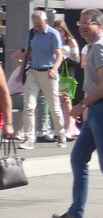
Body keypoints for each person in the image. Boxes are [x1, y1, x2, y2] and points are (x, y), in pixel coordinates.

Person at [52, 7, 103, 218]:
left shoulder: (99, 47)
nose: (81, 26)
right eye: (80, 23)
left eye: (86, 22)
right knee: (78, 158)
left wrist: (83, 105)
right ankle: (76, 213)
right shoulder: (99, 46)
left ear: (99, 25)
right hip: (99, 109)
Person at [19, 10, 66, 146]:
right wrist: (22, 72)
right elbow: (27, 52)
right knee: (29, 105)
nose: (38, 28)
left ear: (46, 21)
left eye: (40, 25)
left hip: (48, 72)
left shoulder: (53, 34)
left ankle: (61, 134)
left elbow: (60, 55)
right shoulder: (32, 33)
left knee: (54, 106)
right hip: (33, 72)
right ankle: (29, 138)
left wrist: (54, 69)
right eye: (35, 25)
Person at [52, 18, 81, 139]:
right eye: (56, 31)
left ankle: (70, 128)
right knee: (56, 101)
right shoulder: (53, 41)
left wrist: (65, 59)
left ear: (65, 31)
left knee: (67, 100)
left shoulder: (71, 42)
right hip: (55, 73)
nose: (59, 33)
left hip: (67, 73)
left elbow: (77, 60)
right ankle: (63, 127)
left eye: (61, 31)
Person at [7, 48, 32, 148]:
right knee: (31, 102)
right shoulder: (26, 71)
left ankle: (21, 131)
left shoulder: (24, 68)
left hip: (15, 97)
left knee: (30, 101)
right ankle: (21, 132)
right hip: (12, 99)